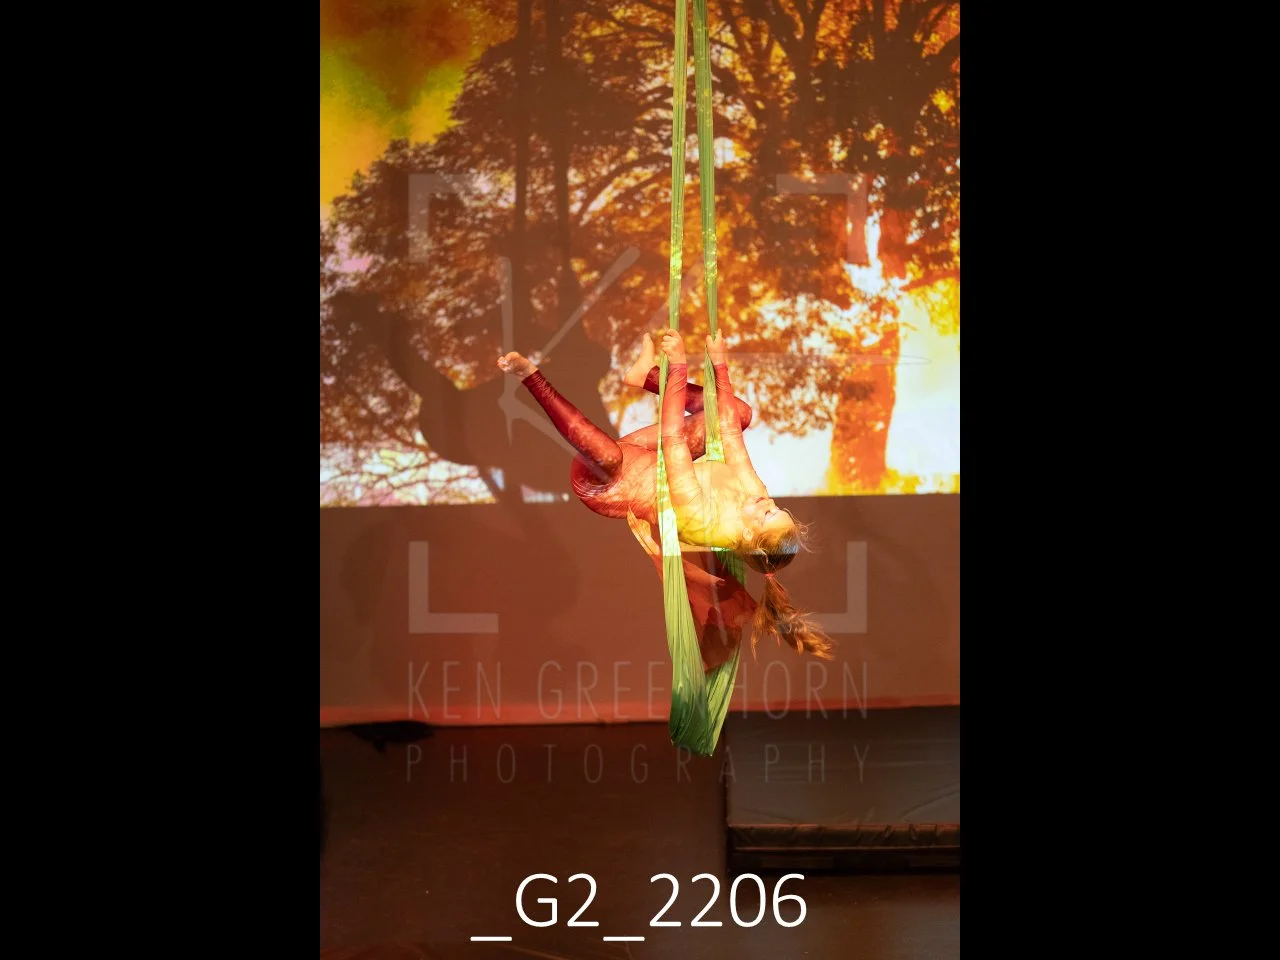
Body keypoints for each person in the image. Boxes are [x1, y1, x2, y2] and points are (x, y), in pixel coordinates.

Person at [498, 329, 833, 670]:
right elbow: (731, 432)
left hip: (608, 482)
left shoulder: (703, 520)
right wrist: (720, 364)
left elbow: (673, 438)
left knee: (608, 455)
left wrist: (678, 367)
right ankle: (645, 375)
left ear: (748, 535)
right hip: (650, 453)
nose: (767, 503)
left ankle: (530, 377)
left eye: (767, 515)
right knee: (738, 412)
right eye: (776, 508)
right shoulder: (756, 497)